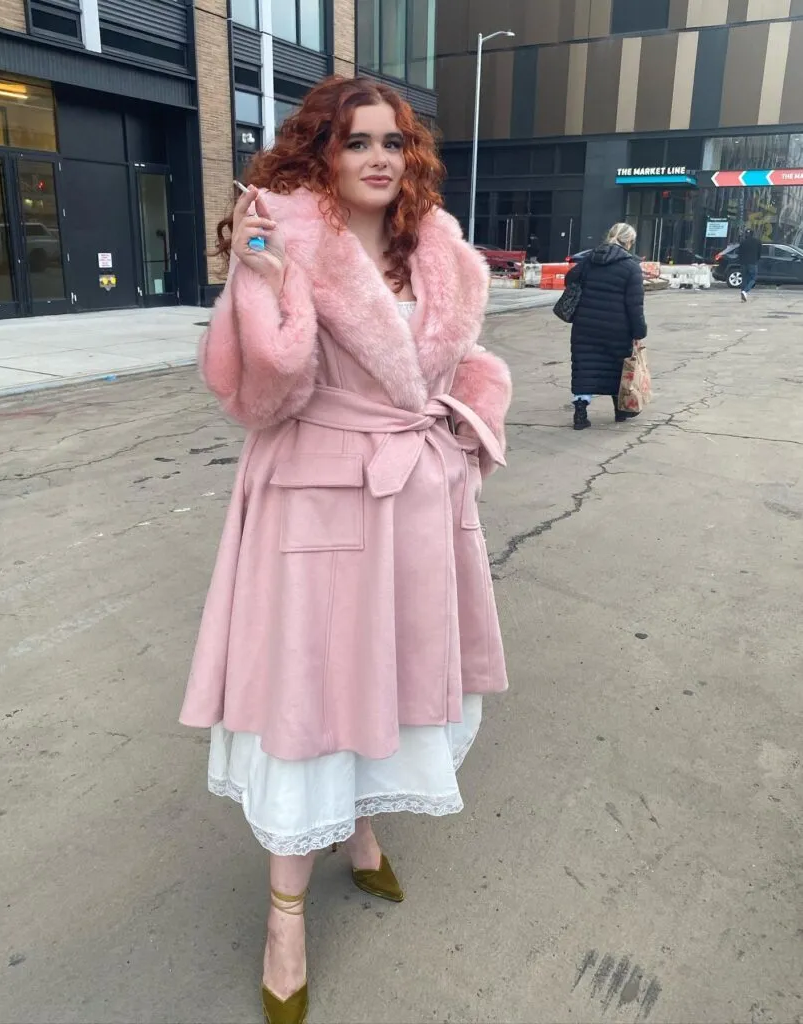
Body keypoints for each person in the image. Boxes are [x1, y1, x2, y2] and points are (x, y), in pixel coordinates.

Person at [179, 76, 512, 1024]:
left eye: (392, 142)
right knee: (310, 696)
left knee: (385, 680)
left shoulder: (435, 250)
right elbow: (258, 397)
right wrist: (265, 284)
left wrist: (471, 426)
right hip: (316, 497)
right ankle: (285, 918)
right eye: (355, 141)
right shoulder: (285, 240)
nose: (377, 158)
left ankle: (359, 834)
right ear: (320, 152)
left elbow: (462, 363)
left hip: (417, 503)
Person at [564, 222, 647, 430]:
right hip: (617, 328)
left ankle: (580, 413)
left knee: (584, 368)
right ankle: (621, 410)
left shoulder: (589, 260)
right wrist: (639, 331)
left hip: (585, 325)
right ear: (629, 241)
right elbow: (635, 305)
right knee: (616, 368)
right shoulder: (631, 267)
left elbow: (570, 278)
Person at [738, 228, 762, 301]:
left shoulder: (742, 242)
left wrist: (741, 261)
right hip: (753, 262)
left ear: (746, 234)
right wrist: (756, 260)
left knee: (744, 279)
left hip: (743, 263)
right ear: (752, 234)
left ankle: (743, 296)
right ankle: (745, 291)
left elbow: (739, 253)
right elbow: (759, 253)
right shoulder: (757, 242)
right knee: (753, 278)